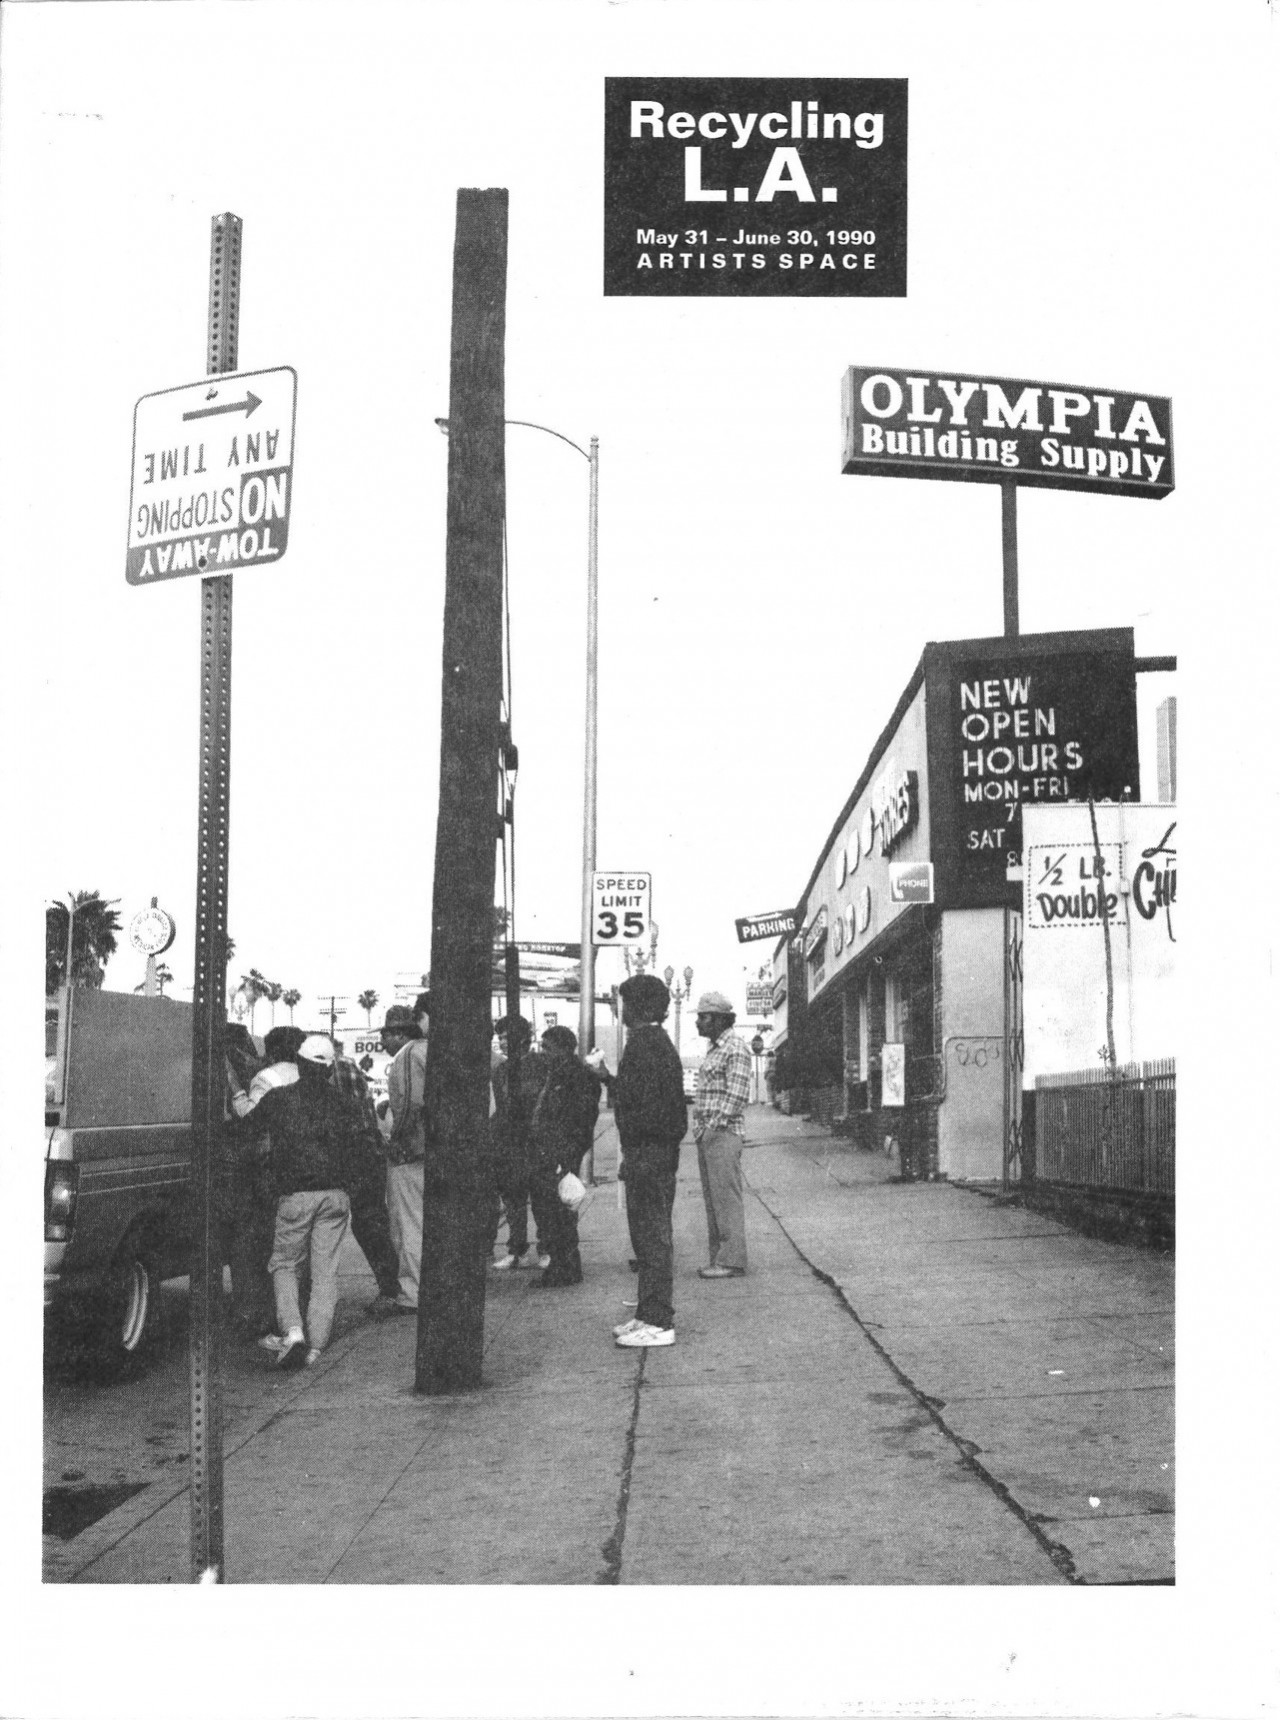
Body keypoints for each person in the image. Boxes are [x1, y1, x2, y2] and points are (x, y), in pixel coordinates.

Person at [246, 1035, 360, 1368]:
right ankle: (316, 1347)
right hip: (336, 1196)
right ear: (329, 1070)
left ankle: (292, 1331)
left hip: (295, 1195)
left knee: (285, 1265)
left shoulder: (280, 1099)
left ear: (299, 1063)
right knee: (325, 1271)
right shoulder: (345, 1102)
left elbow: (245, 1130)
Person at [590, 972, 688, 1348]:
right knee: (647, 1238)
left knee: (651, 1238)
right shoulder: (653, 1043)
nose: (620, 1011)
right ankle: (648, 1313)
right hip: (652, 1152)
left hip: (649, 1152)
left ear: (637, 1006)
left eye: (623, 1004)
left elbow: (641, 1104)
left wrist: (636, 1153)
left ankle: (659, 1321)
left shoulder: (645, 1045)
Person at [528, 1025, 601, 1287]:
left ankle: (565, 1267)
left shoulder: (577, 1077)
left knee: (559, 1215)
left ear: (562, 1048)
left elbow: (581, 1121)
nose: (542, 1053)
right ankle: (561, 1265)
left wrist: (566, 1158)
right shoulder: (556, 1073)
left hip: (559, 1154)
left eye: (547, 1048)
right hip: (548, 1152)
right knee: (550, 1213)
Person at [691, 990, 753, 1279]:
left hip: (723, 1133)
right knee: (714, 1199)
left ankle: (732, 1260)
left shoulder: (735, 1047)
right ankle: (720, 1258)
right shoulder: (716, 1048)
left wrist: (714, 1126)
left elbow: (737, 1093)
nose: (698, 1022)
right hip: (710, 1133)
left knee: (725, 1198)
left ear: (718, 1019)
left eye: (703, 1017)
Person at [381, 998, 432, 1310]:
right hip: (435, 1150)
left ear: (400, 1034)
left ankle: (412, 1293)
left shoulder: (409, 1054)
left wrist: (397, 1138)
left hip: (412, 1152)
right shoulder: (432, 1051)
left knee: (409, 1226)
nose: (382, 1042)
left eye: (385, 1035)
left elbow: (413, 1103)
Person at [488, 1015, 549, 1271]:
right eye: (499, 1037)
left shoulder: (540, 1064)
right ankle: (517, 1250)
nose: (501, 1042)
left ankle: (546, 1248)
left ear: (523, 1038)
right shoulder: (500, 1070)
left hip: (535, 1140)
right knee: (513, 1200)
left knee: (541, 1198)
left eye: (505, 1036)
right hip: (508, 1141)